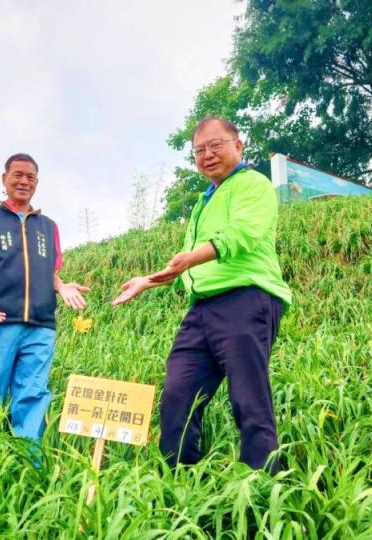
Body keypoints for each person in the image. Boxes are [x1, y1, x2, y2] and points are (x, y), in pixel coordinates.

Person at [112, 118, 292, 471]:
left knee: (248, 398)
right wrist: (147, 281)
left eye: (216, 145)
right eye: (199, 150)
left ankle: (266, 486)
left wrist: (192, 257)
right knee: (178, 394)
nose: (207, 155)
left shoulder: (252, 184)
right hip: (202, 309)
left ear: (238, 146)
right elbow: (186, 265)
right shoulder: (203, 201)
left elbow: (242, 234)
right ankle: (182, 479)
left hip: (246, 298)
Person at [0, 153, 89, 441]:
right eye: (17, 174)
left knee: (32, 395)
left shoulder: (48, 226)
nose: (23, 181)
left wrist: (62, 287)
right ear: (4, 179)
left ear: (37, 183)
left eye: (30, 177)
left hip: (40, 327)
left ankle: (27, 465)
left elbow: (51, 270)